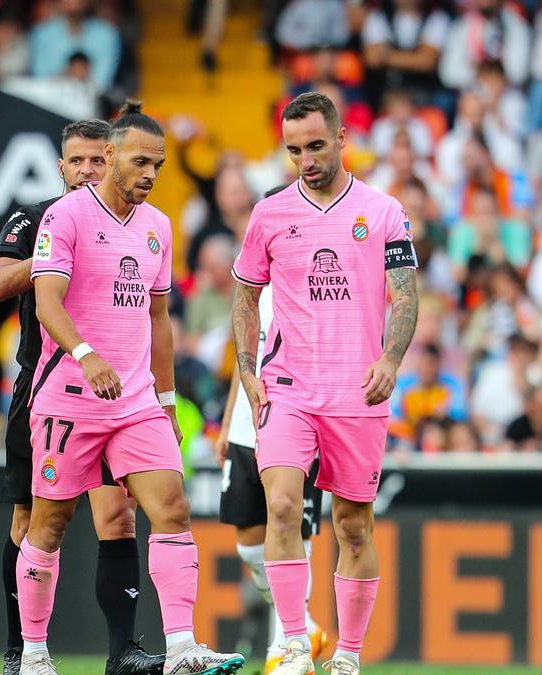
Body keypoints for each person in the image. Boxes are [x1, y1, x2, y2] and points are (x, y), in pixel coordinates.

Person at [17, 101, 245, 675]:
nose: (149, 174)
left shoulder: (158, 227)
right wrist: (87, 354)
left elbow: (157, 319)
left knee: (172, 508)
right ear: (111, 155)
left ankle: (182, 648)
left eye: (159, 165)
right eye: (140, 161)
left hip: (137, 401)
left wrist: (166, 401)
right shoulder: (65, 217)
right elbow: (46, 301)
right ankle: (37, 654)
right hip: (69, 395)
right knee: (51, 523)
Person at [231, 92, 419, 675]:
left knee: (352, 525)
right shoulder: (269, 214)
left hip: (356, 391)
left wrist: (390, 359)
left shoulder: (383, 211)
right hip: (287, 385)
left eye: (315, 146)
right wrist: (246, 368)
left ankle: (349, 655)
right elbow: (244, 294)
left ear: (341, 139)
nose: (305, 160)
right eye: (293, 150)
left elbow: (406, 294)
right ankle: (292, 644)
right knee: (282, 506)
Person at [0, 118, 163, 675]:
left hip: (116, 392)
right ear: (62, 167)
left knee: (119, 516)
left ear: (110, 158)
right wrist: (57, 253)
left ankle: (123, 651)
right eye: (77, 161)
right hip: (45, 383)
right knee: (30, 518)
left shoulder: (134, 223)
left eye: (96, 159)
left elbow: (156, 312)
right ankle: (23, 651)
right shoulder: (37, 217)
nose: (88, 170)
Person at [216, 188, 329, 674]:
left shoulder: (315, 287)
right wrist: (225, 424)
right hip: (246, 424)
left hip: (296, 423)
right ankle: (302, 622)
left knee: (291, 529)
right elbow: (243, 361)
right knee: (247, 540)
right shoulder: (250, 290)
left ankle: (287, 649)